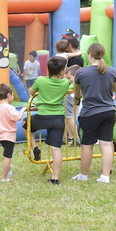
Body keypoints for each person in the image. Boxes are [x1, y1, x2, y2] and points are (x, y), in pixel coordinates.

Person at [72, 43, 116, 183]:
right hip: (109, 110)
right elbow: (115, 89)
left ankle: (83, 175)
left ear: (89, 55)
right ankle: (105, 176)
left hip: (90, 112)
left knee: (87, 145)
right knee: (106, 144)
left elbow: (77, 92)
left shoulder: (81, 72)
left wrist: (78, 99)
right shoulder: (111, 71)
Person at [28, 56, 70, 184]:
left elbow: (31, 91)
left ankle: (34, 146)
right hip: (58, 117)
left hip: (43, 116)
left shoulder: (41, 80)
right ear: (62, 71)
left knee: (26, 124)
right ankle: (55, 178)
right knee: (56, 149)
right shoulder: (65, 83)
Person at [0, 84, 23, 182]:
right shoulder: (9, 108)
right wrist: (23, 110)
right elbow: (18, 117)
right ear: (9, 95)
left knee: (7, 153)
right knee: (8, 156)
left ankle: (9, 168)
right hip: (8, 136)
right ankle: (4, 178)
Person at [63, 64, 80, 146]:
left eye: (69, 78)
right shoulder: (72, 84)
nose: (68, 80)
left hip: (69, 99)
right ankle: (70, 138)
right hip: (70, 100)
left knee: (69, 118)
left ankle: (76, 139)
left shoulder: (74, 84)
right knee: (68, 118)